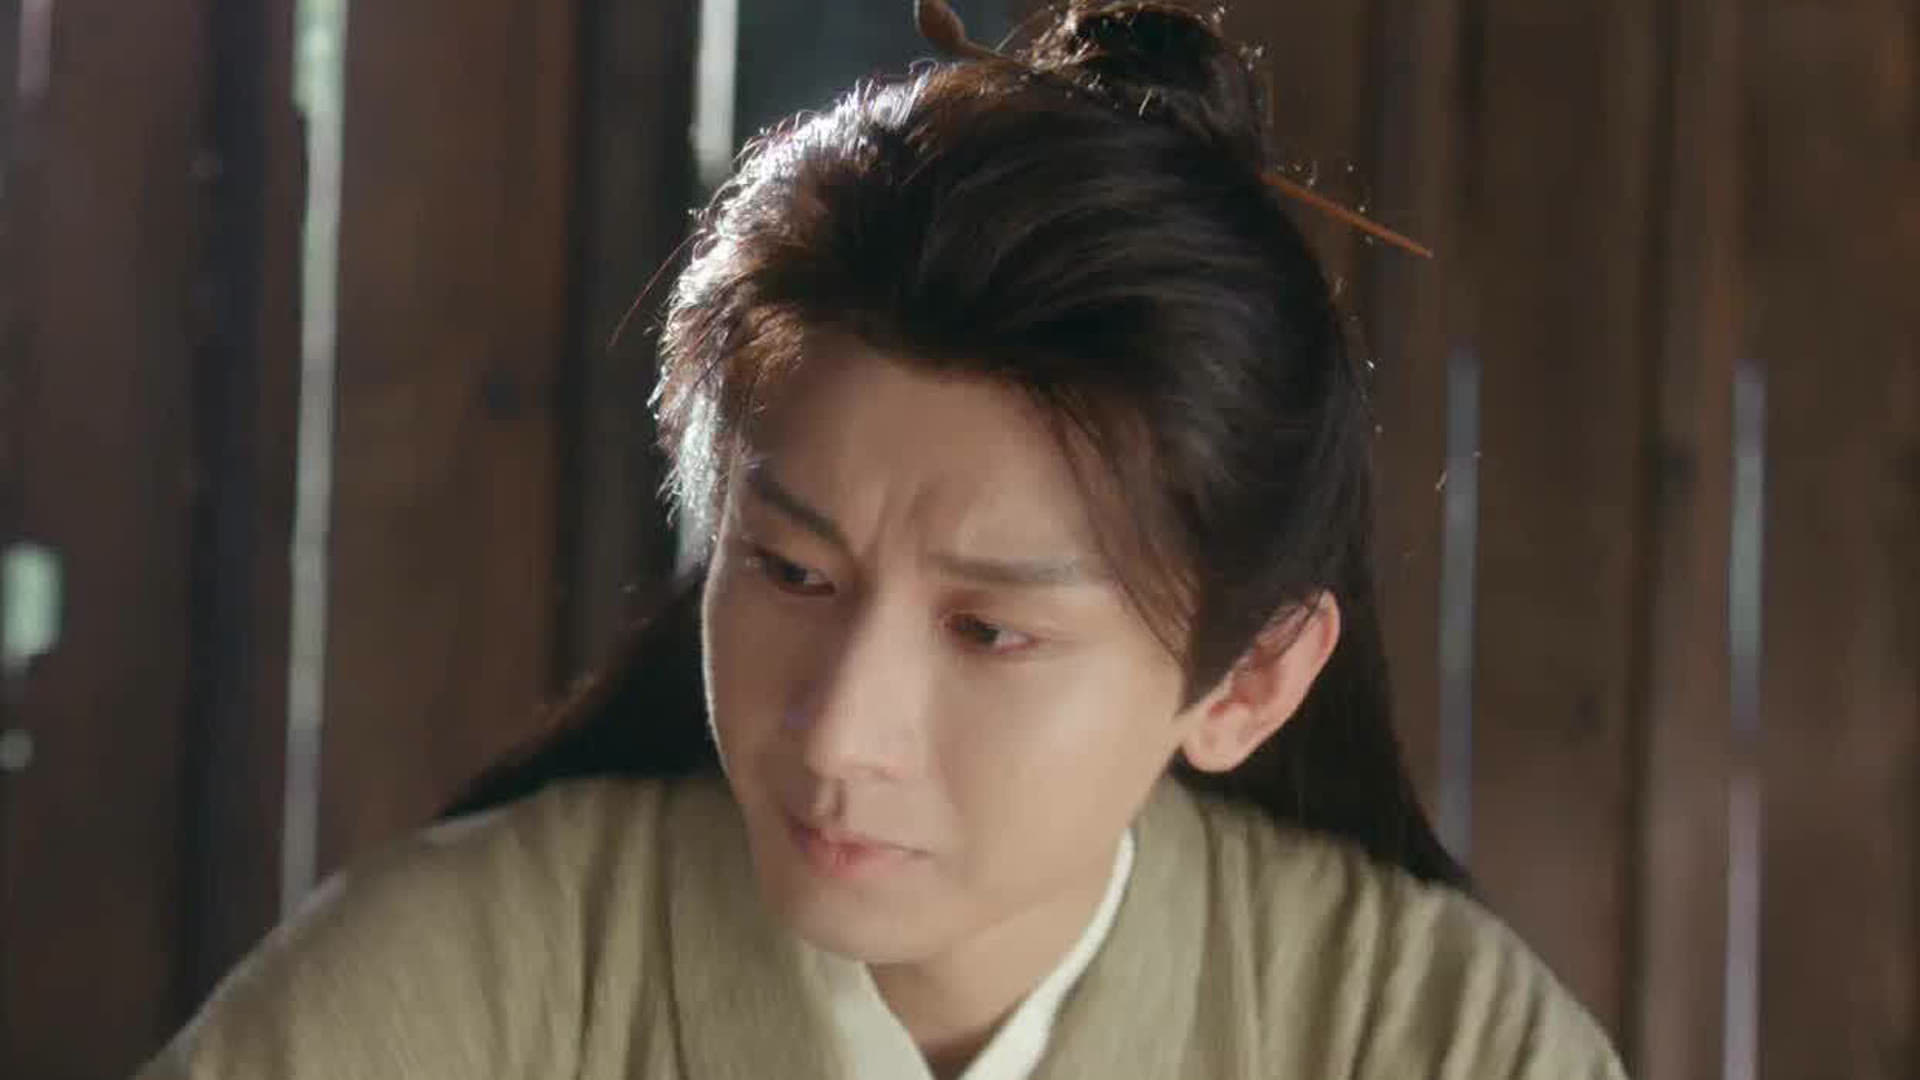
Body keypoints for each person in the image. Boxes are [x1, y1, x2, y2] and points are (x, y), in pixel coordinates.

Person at [138, 3, 1628, 1077]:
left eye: (988, 630)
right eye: (792, 570)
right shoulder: (450, 997)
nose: (839, 730)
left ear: (1247, 679)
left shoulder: (1427, 1039)